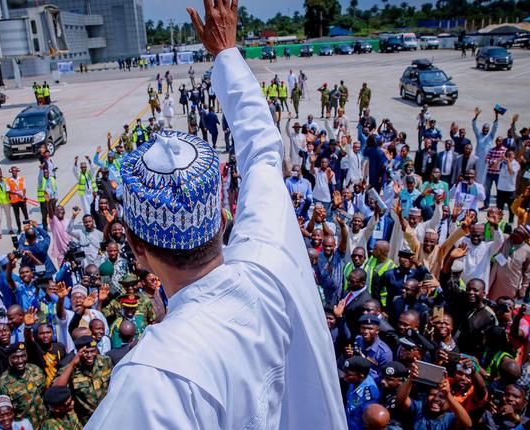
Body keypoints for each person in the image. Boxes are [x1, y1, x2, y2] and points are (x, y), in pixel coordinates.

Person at [87, 4, 346, 428]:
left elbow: (261, 151)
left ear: (135, 248)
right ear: (223, 218)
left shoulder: (152, 380)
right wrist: (226, 52)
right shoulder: (266, 258)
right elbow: (262, 150)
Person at [53, 335, 112, 423]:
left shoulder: (105, 361)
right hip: (87, 421)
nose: (89, 355)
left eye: (92, 351)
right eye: (85, 352)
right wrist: (72, 364)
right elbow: (56, 389)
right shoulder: (70, 368)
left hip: (108, 415)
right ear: (78, 352)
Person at [397, 362, 473, 428]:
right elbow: (400, 400)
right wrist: (410, 379)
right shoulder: (419, 408)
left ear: (449, 403)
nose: (436, 399)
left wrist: (448, 394)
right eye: (432, 395)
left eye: (442, 397)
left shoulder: (449, 418)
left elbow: (468, 424)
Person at [0, 342, 47, 426]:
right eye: (15, 357)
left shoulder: (36, 370)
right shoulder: (1, 385)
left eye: (23, 356)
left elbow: (44, 393)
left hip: (44, 424)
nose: (20, 361)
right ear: (9, 358)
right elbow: (2, 415)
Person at [488, 226, 530, 301]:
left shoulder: (529, 252)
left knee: (505, 305)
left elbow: (528, 273)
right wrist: (495, 225)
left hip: (511, 283)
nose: (513, 233)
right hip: (494, 279)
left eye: (518, 233)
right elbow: (495, 235)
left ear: (524, 237)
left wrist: (523, 289)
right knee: (490, 302)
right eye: (514, 231)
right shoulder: (505, 239)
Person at [342, 356, 380, 430]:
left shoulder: (369, 396)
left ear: (361, 375)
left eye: (348, 374)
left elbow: (368, 424)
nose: (344, 376)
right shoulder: (354, 381)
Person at [5, 166, 29, 233]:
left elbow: (24, 188)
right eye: (13, 171)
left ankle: (28, 227)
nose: (14, 172)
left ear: (17, 171)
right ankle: (19, 229)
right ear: (11, 172)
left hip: (22, 200)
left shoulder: (21, 178)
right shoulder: (8, 180)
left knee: (26, 214)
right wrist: (17, 194)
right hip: (14, 201)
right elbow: (7, 191)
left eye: (15, 171)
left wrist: (24, 196)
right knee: (17, 216)